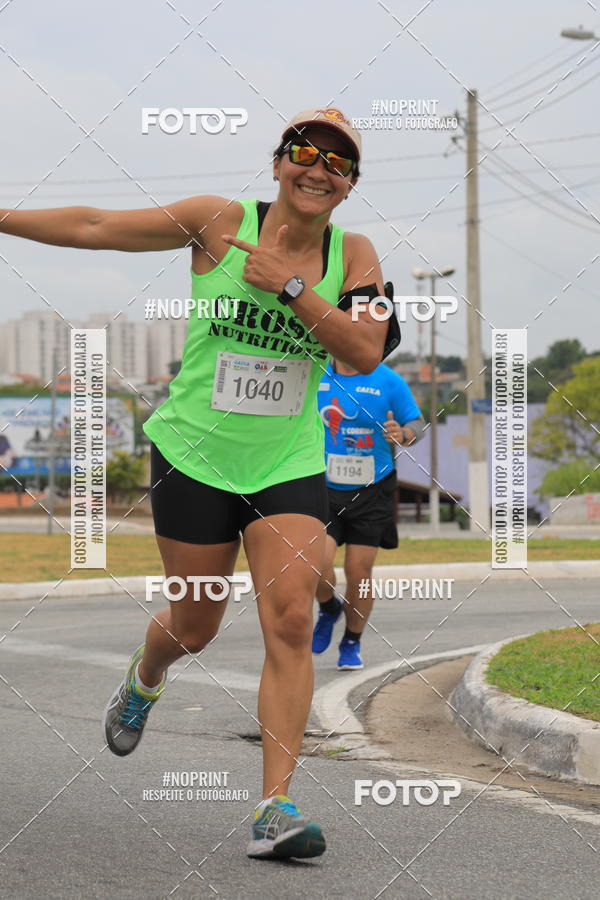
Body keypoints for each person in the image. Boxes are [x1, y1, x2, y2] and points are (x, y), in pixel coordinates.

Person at [0, 107, 397, 860]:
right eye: (305, 152)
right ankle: (146, 677)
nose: (319, 169)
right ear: (279, 162)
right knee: (196, 625)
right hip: (192, 454)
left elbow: (366, 348)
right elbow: (93, 225)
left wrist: (292, 290)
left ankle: (274, 809)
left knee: (287, 620)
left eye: (338, 163)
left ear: (348, 187)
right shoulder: (215, 222)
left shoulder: (357, 253)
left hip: (287, 462)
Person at [314, 357, 424, 669]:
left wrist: (402, 434)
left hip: (372, 488)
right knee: (314, 563)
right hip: (323, 486)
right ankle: (328, 607)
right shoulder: (316, 372)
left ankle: (351, 640)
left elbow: (417, 424)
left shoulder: (388, 380)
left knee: (358, 573)